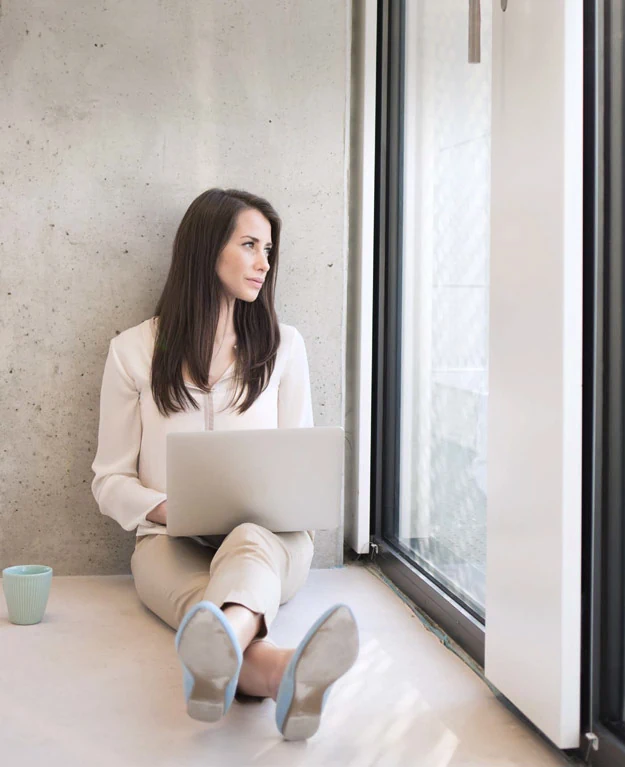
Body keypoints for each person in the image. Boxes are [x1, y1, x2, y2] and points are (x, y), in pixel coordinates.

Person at [90, 188, 359, 741]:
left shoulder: (286, 347)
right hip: (166, 543)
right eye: (249, 245)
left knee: (248, 548)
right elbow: (109, 479)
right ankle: (282, 670)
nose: (265, 262)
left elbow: (298, 466)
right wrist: (170, 510)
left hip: (271, 543)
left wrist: (271, 511)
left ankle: (218, 648)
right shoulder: (133, 351)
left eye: (269, 249)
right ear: (206, 249)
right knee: (201, 603)